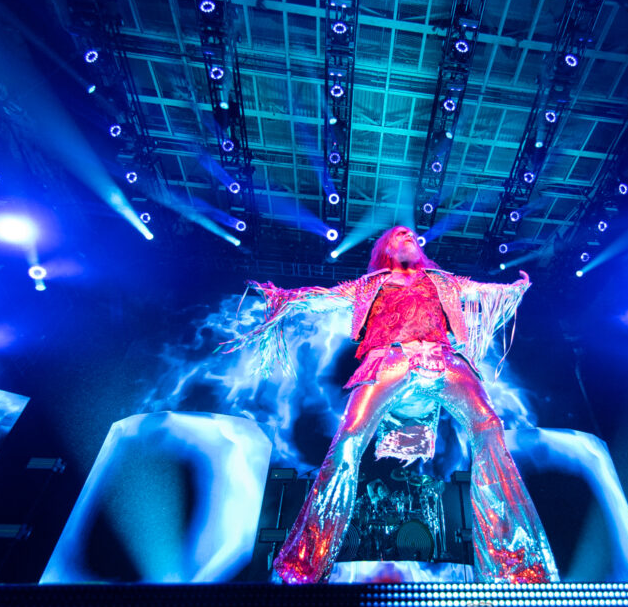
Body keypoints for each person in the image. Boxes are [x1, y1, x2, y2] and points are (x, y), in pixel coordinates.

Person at [223, 226, 558, 583]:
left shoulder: (443, 281)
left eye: (412, 235)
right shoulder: (369, 285)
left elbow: (482, 291)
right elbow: (325, 297)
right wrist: (286, 297)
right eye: (400, 235)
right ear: (387, 248)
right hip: (388, 360)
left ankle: (516, 564)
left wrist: (514, 289)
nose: (409, 236)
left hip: (443, 359)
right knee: (348, 439)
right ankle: (305, 560)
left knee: (489, 426)